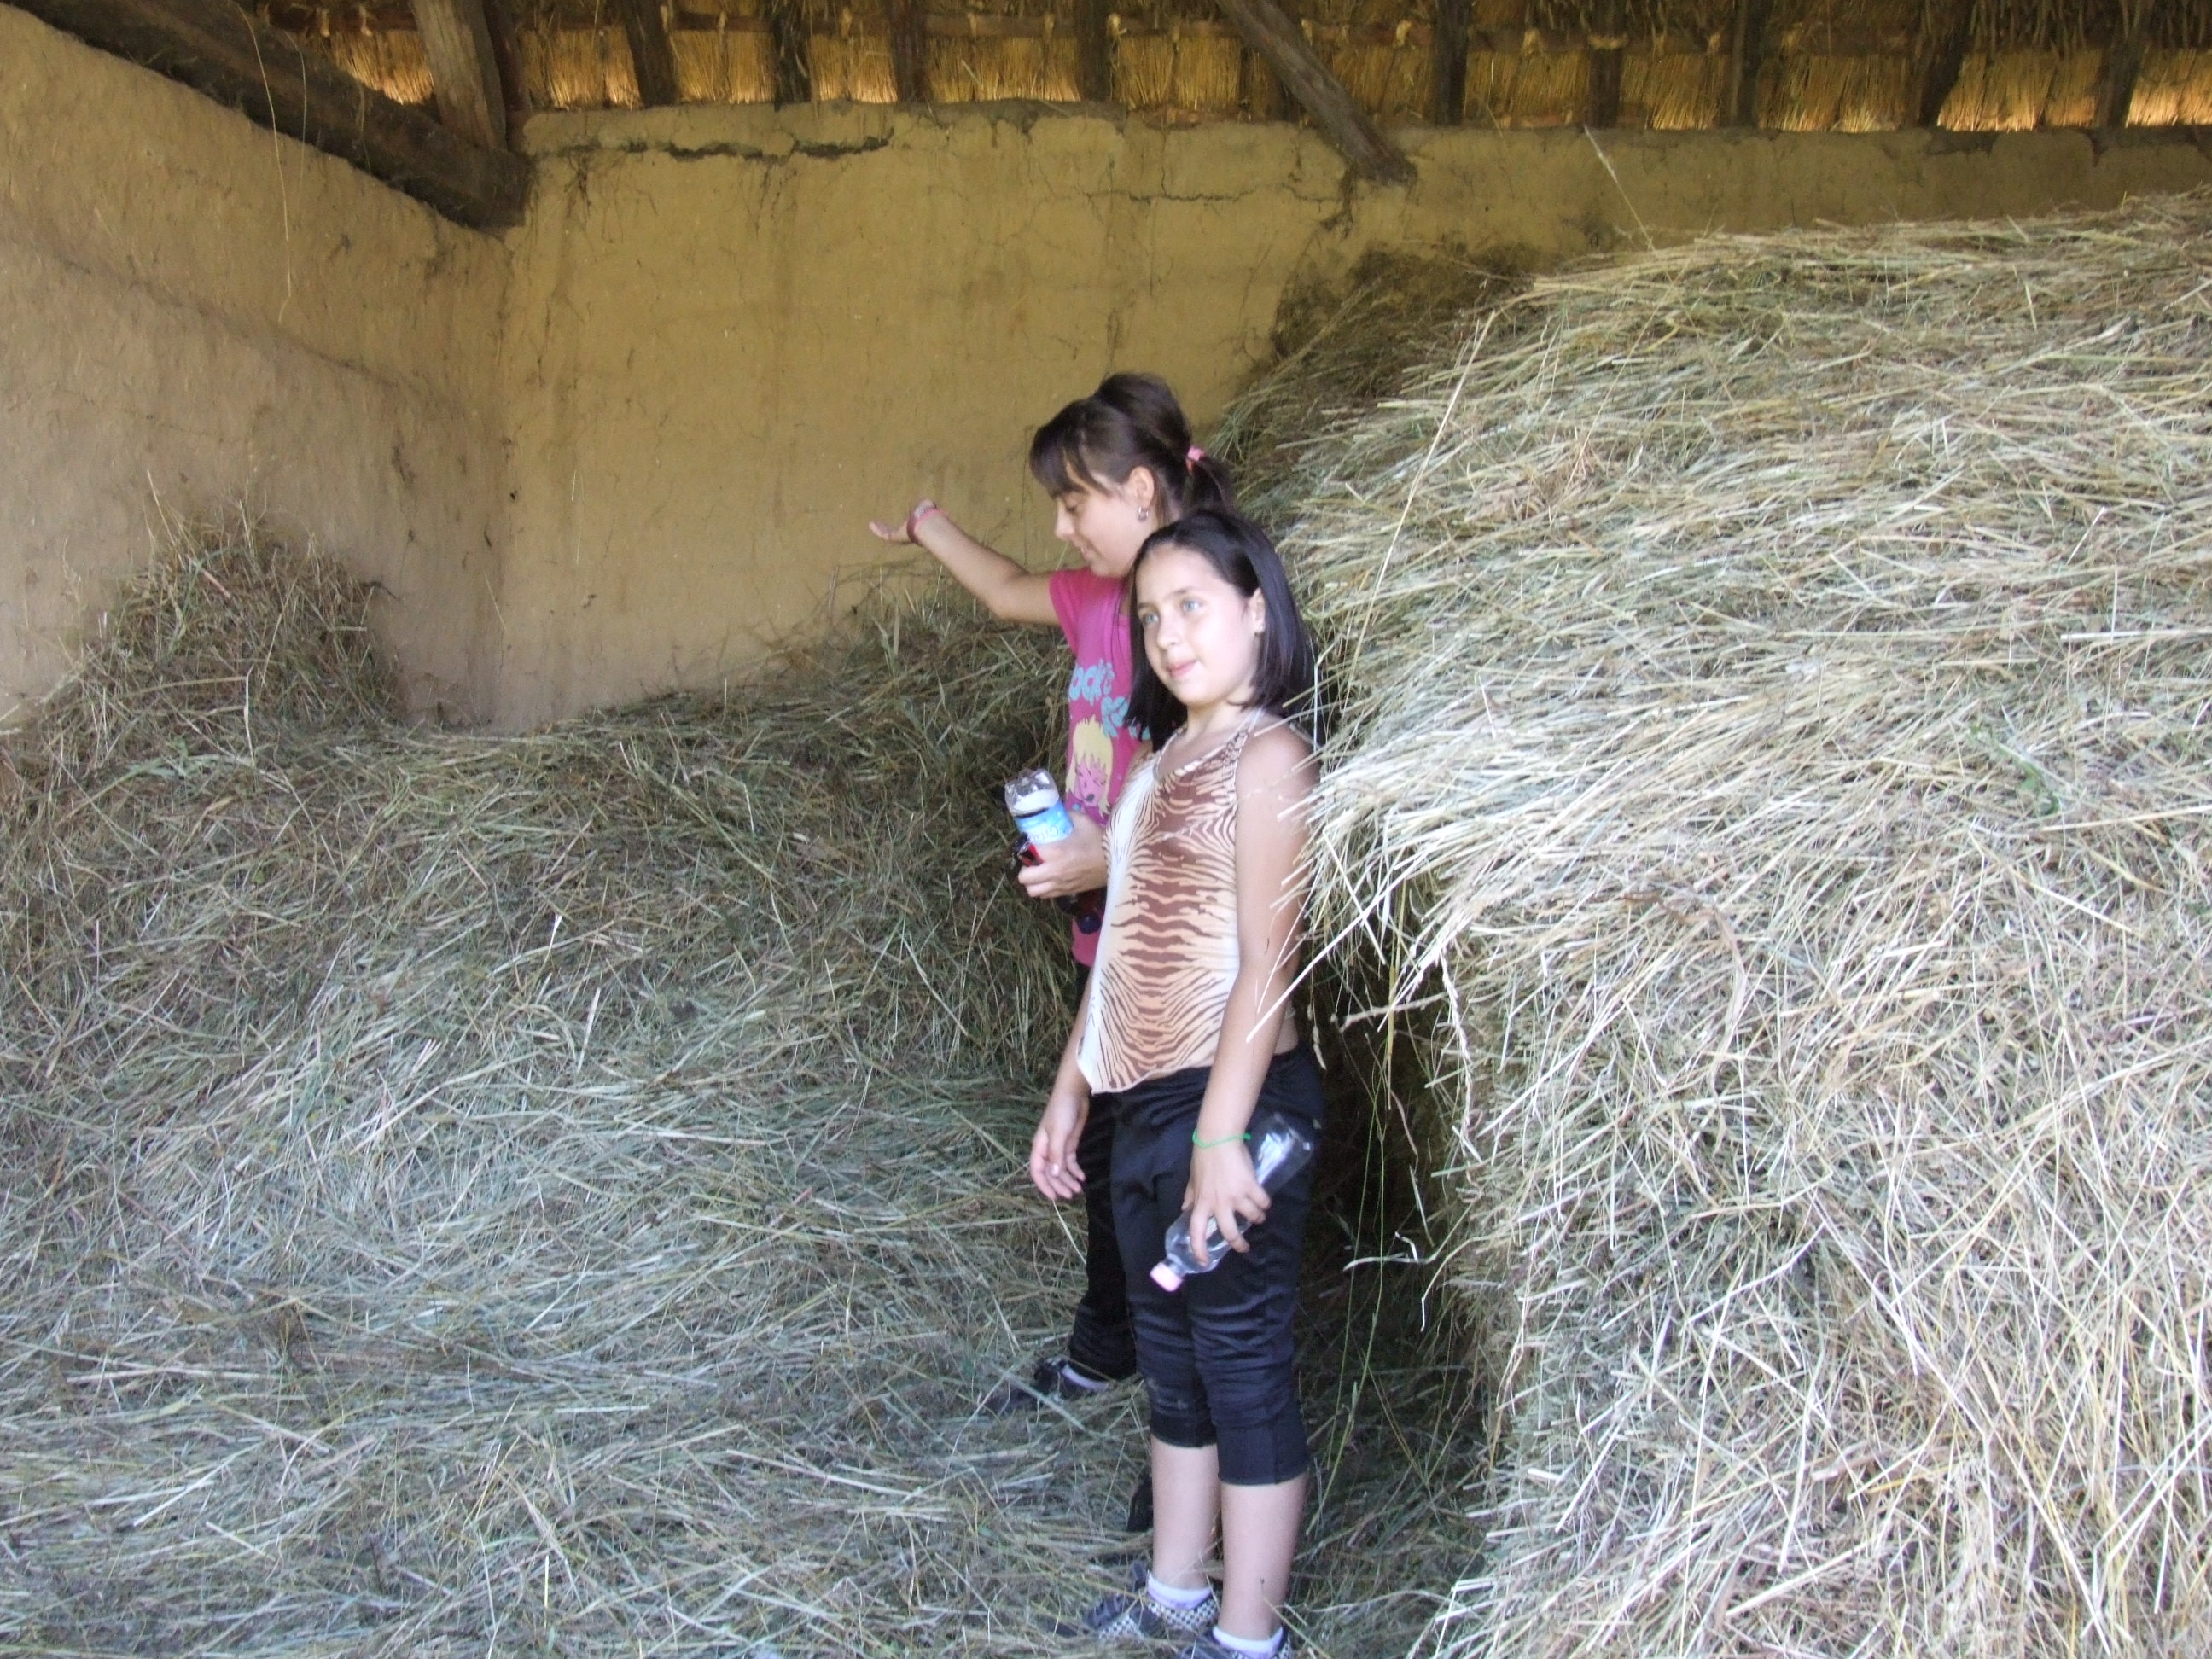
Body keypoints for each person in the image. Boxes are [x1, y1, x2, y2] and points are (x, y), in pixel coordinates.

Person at [870, 375, 1236, 1512]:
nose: (1064, 528)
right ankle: (1106, 1347)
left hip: (1171, 955)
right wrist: (929, 527)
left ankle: (1186, 1445)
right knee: (1117, 1170)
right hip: (1105, 940)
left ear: (1144, 491)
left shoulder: (1195, 633)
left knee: (1161, 1188)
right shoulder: (1094, 601)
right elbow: (1002, 590)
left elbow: (1206, 831)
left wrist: (1103, 863)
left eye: (1077, 503)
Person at [1030, 509, 1322, 1659]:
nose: (1167, 636)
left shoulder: (1270, 759)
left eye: (1192, 605)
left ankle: (1248, 1638)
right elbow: (1123, 945)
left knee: (1241, 1363)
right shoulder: (1157, 766)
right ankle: (1175, 1592)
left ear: (1256, 608)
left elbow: (1267, 962)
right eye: (1151, 617)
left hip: (1234, 1106)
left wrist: (1218, 1139)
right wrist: (1073, 1086)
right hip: (1147, 1101)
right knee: (1173, 1358)